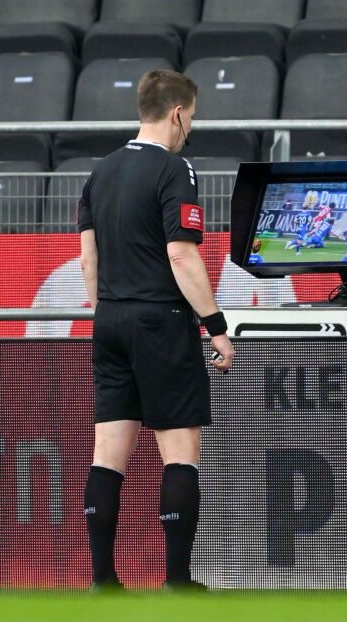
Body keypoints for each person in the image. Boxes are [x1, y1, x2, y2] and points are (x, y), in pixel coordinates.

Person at [77, 69, 234, 591]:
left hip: (109, 319)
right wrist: (215, 326)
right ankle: (177, 582)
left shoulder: (100, 171)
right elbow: (181, 254)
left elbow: (87, 258)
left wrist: (106, 309)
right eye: (192, 117)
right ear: (178, 113)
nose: (191, 127)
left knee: (109, 455)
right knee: (180, 453)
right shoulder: (175, 168)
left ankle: (103, 581)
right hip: (161, 321)